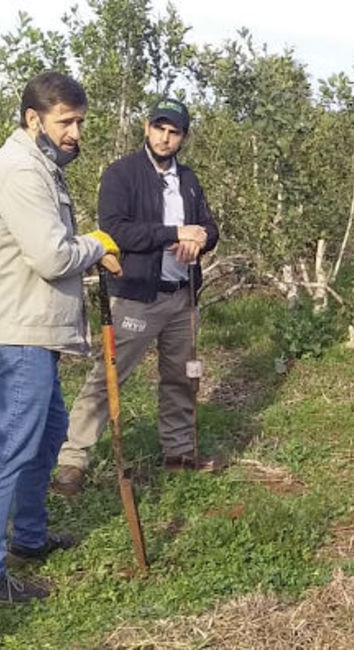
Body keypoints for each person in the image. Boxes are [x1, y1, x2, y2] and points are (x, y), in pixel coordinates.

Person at [52, 98, 220, 497]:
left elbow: (209, 228)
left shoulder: (190, 179)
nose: (165, 137)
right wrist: (174, 234)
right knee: (108, 377)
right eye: (159, 127)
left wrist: (200, 239)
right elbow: (116, 231)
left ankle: (179, 454)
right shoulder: (121, 174)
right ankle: (72, 461)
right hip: (137, 297)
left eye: (174, 130)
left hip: (182, 297)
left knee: (181, 378)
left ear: (183, 136)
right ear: (146, 128)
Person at [0, 72, 122, 602]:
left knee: (48, 437)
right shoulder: (22, 170)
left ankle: (28, 538)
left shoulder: (44, 166)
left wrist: (87, 246)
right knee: (13, 449)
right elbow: (52, 257)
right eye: (66, 121)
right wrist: (95, 243)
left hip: (38, 331)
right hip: (19, 330)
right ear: (34, 119)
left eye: (80, 121)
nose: (75, 131)